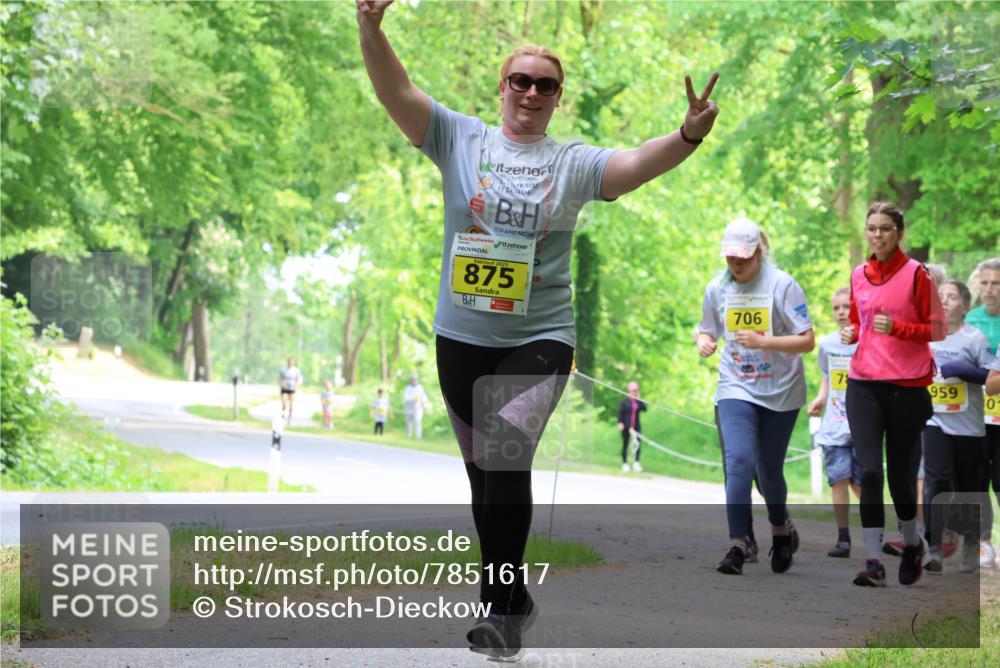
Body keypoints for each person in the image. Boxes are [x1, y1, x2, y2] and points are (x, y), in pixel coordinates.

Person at [357, 0, 719, 658]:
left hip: (541, 337)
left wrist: (688, 134)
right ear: (502, 87)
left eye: (544, 85)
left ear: (557, 98)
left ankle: (498, 612)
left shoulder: (572, 162)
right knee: (483, 477)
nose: (530, 92)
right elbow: (396, 91)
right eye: (520, 80)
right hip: (461, 336)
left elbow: (636, 162)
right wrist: (370, 27)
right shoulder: (459, 139)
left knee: (505, 453)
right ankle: (515, 594)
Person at [696, 217, 815, 576]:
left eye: (744, 257)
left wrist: (765, 341)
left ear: (759, 252)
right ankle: (739, 543)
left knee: (769, 471)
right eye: (730, 257)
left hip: (781, 390)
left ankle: (780, 530)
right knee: (739, 462)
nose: (736, 263)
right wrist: (704, 340)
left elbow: (807, 341)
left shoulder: (782, 285)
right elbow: (706, 328)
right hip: (736, 386)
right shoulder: (717, 288)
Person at [841, 202, 945, 587]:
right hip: (864, 383)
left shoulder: (917, 274)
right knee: (869, 472)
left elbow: (938, 329)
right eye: (872, 228)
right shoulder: (859, 274)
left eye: (885, 228)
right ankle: (873, 561)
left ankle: (912, 544)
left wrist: (900, 328)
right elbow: (859, 321)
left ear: (898, 233)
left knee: (901, 477)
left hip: (908, 386)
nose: (877, 235)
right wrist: (852, 332)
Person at [921, 280, 993, 574]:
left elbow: (990, 378)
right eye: (940, 296)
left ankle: (971, 542)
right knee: (936, 480)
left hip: (968, 426)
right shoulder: (924, 336)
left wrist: (963, 371)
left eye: (951, 297)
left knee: (967, 487)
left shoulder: (974, 338)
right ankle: (933, 547)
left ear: (964, 305)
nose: (944, 301)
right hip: (934, 420)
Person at [807, 287, 861, 558]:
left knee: (861, 484)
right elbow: (827, 377)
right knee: (839, 479)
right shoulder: (828, 344)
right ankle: (843, 538)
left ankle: (876, 532)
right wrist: (820, 398)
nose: (841, 312)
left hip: (863, 424)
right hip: (834, 424)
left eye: (846, 306)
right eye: (836, 308)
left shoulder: (867, 342)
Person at [966, 258, 1000, 568]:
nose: (989, 289)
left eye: (996, 283)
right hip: (977, 411)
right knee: (978, 476)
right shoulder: (970, 321)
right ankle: (983, 542)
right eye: (985, 282)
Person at [617, 381, 647, 472]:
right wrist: (620, 422)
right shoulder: (624, 402)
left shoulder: (638, 402)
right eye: (633, 390)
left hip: (636, 427)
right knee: (625, 444)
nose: (635, 392)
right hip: (626, 427)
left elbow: (644, 408)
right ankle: (625, 463)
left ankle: (636, 463)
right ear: (629, 391)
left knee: (637, 445)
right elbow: (620, 413)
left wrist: (639, 399)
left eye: (636, 390)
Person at [403, 373, 429, 439]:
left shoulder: (420, 387)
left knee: (418, 422)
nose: (414, 381)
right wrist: (413, 399)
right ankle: (408, 436)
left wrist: (423, 401)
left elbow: (424, 396)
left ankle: (418, 437)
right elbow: (406, 398)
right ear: (411, 380)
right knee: (409, 422)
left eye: (415, 379)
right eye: (413, 379)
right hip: (409, 408)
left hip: (418, 408)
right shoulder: (408, 388)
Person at [278, 357, 303, 424]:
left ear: (293, 363)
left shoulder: (296, 371)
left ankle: (289, 418)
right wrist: (281, 384)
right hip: (284, 388)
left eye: (292, 362)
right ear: (287, 362)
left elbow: (299, 380)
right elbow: (279, 379)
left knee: (291, 404)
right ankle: (283, 414)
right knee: (284, 403)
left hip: (292, 389)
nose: (290, 363)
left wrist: (296, 386)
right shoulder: (283, 370)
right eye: (289, 362)